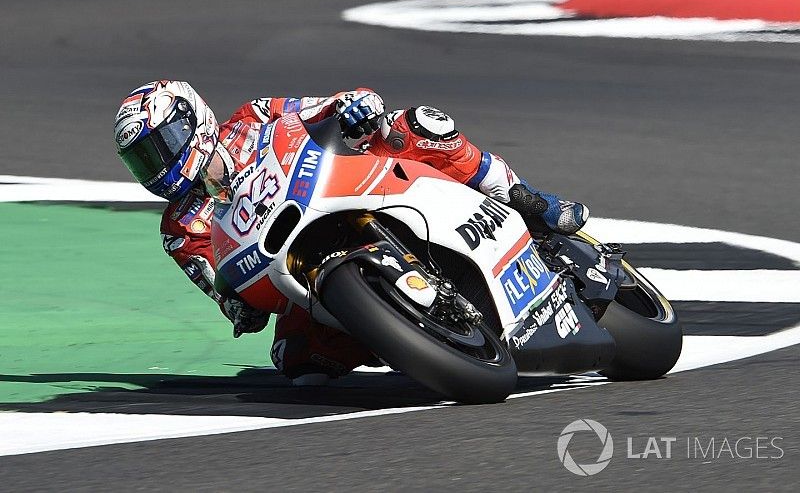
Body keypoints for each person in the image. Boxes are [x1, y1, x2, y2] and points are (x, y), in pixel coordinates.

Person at [114, 80, 589, 384]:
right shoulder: (180, 229)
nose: (156, 165)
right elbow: (220, 287)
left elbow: (323, 108)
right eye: (143, 160)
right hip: (301, 266)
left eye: (160, 147)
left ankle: (528, 201)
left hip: (351, 184)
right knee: (296, 362)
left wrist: (356, 106)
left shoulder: (251, 117)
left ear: (191, 120)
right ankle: (408, 332)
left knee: (416, 126)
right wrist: (236, 304)